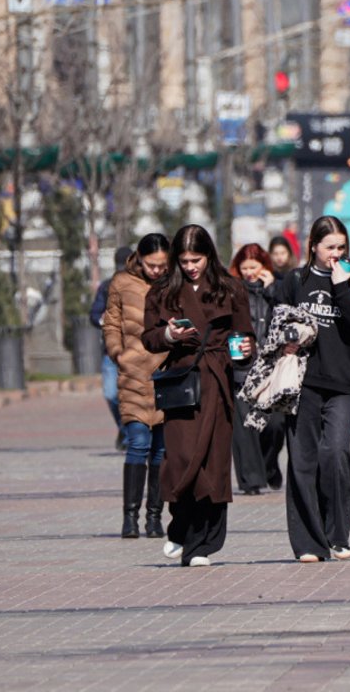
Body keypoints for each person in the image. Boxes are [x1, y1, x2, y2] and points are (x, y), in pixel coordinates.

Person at [142, 225, 255, 567]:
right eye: (185, 260)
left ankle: (202, 544)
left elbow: (244, 335)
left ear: (209, 256)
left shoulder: (230, 288)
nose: (191, 266)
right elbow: (148, 338)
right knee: (180, 460)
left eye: (198, 259)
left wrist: (246, 349)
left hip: (218, 381)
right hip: (182, 384)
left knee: (214, 462)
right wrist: (170, 334)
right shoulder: (162, 292)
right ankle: (180, 525)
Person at [274, 216, 350, 562]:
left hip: (343, 383)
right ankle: (308, 543)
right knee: (303, 461)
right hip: (302, 382)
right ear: (313, 247)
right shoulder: (295, 281)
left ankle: (337, 533)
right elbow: (277, 322)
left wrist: (342, 285)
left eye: (342, 248)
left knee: (334, 453)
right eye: (330, 247)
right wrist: (286, 340)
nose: (336, 254)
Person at [102, 235, 171, 538]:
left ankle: (154, 518)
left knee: (160, 450)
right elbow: (111, 321)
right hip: (132, 374)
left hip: (166, 374)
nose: (156, 270)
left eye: (162, 265)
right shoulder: (121, 282)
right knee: (138, 443)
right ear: (138, 259)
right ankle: (129, 518)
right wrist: (117, 352)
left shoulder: (174, 282)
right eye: (151, 264)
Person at [228, 243, 283, 495]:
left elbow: (288, 312)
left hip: (273, 367)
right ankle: (250, 480)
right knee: (244, 426)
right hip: (242, 365)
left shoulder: (276, 288)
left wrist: (272, 288)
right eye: (245, 268)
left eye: (254, 267)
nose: (250, 272)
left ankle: (269, 465)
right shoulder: (232, 292)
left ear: (264, 267)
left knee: (275, 424)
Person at [91, 245, 133, 448]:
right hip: (111, 351)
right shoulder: (107, 287)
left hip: (135, 352)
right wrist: (104, 319)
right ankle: (124, 428)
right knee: (111, 394)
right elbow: (94, 314)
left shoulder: (142, 286)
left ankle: (130, 434)